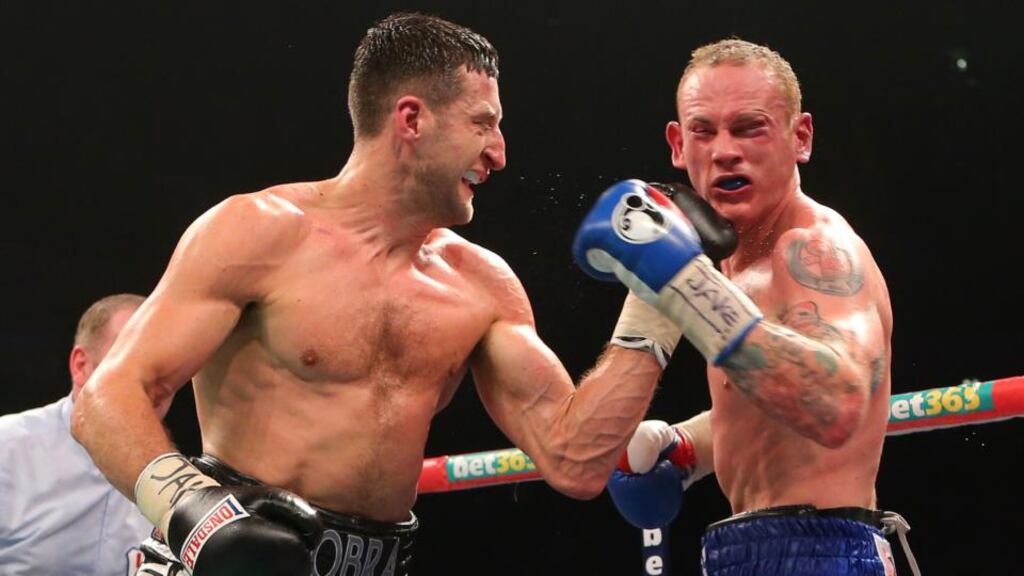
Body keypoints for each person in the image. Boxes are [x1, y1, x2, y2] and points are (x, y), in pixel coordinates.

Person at [70, 13, 683, 576]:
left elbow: (576, 459)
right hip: (228, 560)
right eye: (482, 124)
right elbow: (106, 398)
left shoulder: (481, 285)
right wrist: (199, 514)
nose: (499, 153)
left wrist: (662, 294)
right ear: (411, 120)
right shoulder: (260, 232)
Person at [575, 39, 910, 575]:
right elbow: (773, 407)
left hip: (824, 550)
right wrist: (686, 448)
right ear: (678, 145)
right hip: (744, 547)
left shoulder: (814, 248)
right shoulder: (734, 268)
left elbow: (839, 403)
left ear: (800, 137)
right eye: (704, 131)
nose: (725, 151)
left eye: (749, 128)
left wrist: (685, 286)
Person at [0, 293, 155, 576]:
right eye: (132, 362)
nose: (153, 381)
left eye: (164, 366)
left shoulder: (176, 481)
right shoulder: (7, 448)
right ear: (82, 366)